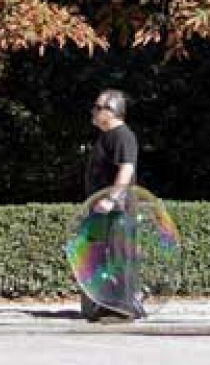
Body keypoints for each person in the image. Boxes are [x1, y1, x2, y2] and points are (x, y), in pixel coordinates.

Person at [81, 89, 139, 321]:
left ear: (111, 111)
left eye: (98, 107)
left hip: (117, 210)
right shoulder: (107, 136)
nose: (93, 111)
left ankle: (122, 308)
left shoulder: (123, 136)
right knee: (102, 256)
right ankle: (106, 304)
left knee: (118, 255)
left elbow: (126, 168)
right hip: (102, 209)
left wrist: (112, 199)